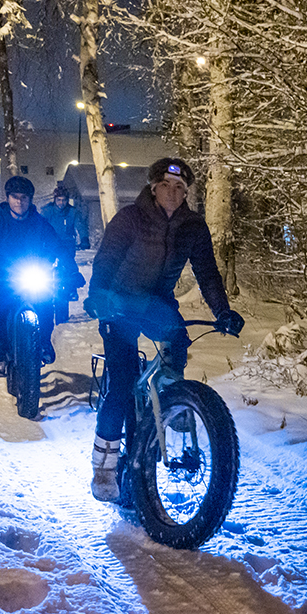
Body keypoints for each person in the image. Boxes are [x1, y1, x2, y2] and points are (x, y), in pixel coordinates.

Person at [85, 157, 243, 502]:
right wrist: (97, 296)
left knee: (177, 343)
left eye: (180, 188)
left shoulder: (193, 226)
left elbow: (208, 273)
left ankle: (170, 396)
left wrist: (223, 311)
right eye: (166, 186)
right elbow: (106, 261)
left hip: (157, 303)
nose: (172, 193)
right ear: (153, 188)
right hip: (118, 303)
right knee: (123, 382)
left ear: (186, 192)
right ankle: (104, 468)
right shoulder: (130, 219)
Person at [0, 175, 77, 377]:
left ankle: (43, 342)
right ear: (8, 198)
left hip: (33, 273)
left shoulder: (40, 223)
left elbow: (58, 247)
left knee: (44, 304)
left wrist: (73, 270)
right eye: (15, 196)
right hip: (2, 276)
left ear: (30, 199)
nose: (19, 201)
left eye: (24, 197)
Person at [42, 184, 90, 322]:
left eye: (64, 200)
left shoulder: (73, 212)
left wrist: (84, 239)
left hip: (67, 244)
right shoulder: (47, 211)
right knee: (42, 265)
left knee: (68, 266)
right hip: (50, 245)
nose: (61, 203)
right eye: (59, 200)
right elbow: (38, 226)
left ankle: (70, 289)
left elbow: (81, 226)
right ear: (54, 200)